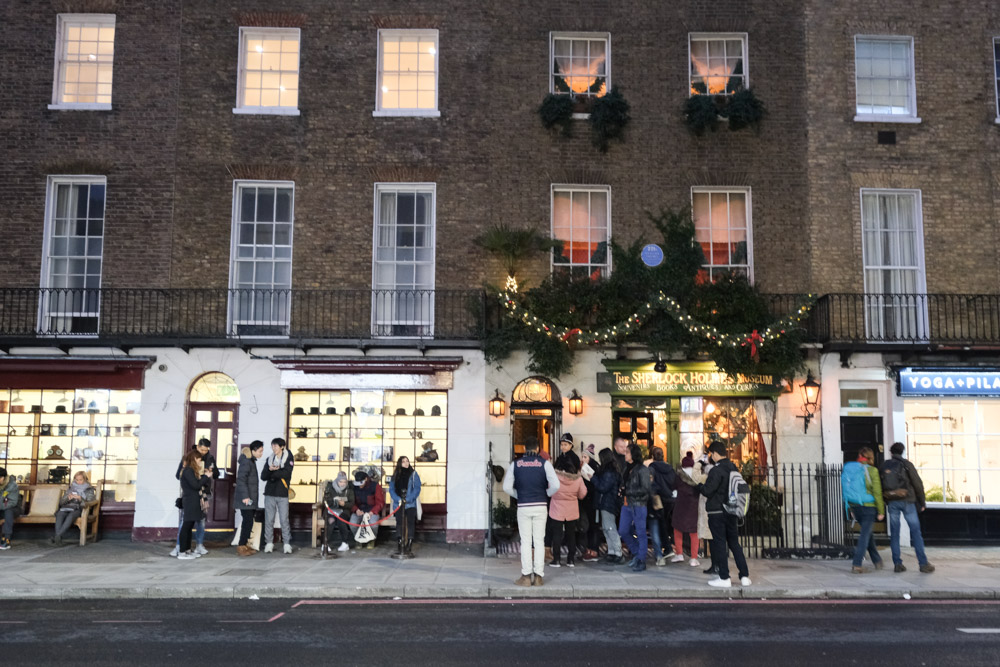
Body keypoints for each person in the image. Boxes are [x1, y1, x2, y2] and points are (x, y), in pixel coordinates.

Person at [503, 436, 560, 587]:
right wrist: (545, 494)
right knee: (539, 541)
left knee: (526, 541)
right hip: (540, 505)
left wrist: (518, 495)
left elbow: (506, 487)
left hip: (524, 506)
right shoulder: (545, 464)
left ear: (524, 449)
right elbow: (555, 485)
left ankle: (526, 576)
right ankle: (539, 576)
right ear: (537, 449)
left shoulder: (516, 465)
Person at [699, 441, 751, 588]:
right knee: (734, 543)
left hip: (717, 512)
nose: (711, 457)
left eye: (711, 454)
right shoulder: (734, 468)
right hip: (732, 511)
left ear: (715, 454)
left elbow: (708, 491)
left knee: (720, 544)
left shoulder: (716, 471)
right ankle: (744, 576)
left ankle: (724, 577)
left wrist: (699, 486)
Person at [881, 442, 935, 574]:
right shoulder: (906, 464)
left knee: (894, 534)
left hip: (892, 501)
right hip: (907, 501)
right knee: (916, 533)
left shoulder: (884, 465)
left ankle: (897, 564)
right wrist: (922, 502)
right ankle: (923, 564)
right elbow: (917, 483)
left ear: (891, 452)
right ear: (902, 451)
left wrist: (885, 500)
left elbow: (881, 484)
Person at [170, 438, 218, 557]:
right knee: (185, 522)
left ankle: (198, 545)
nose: (203, 453)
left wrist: (210, 472)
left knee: (200, 521)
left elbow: (216, 474)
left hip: (203, 493)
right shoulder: (188, 460)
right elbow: (179, 476)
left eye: (206, 451)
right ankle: (179, 547)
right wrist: (198, 476)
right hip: (191, 494)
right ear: (197, 447)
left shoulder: (210, 458)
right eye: (201, 450)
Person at [842, 446, 885, 573]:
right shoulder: (872, 471)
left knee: (868, 534)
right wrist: (881, 510)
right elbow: (877, 492)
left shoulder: (850, 469)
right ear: (871, 457)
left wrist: (849, 507)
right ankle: (857, 564)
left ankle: (877, 561)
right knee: (864, 536)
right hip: (868, 508)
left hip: (855, 506)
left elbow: (847, 489)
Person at [619, 444, 653, 572]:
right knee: (623, 530)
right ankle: (637, 553)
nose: (625, 454)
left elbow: (646, 489)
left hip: (638, 504)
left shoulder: (642, 469)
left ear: (634, 454)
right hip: (627, 504)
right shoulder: (626, 468)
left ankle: (641, 559)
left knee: (640, 532)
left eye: (627, 452)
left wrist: (628, 491)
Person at [548, 457, 587, 568]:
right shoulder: (578, 479)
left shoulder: (554, 477)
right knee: (571, 535)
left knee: (557, 535)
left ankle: (556, 560)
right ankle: (571, 560)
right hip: (572, 510)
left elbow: (550, 491)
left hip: (557, 509)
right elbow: (583, 494)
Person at [261, 437, 294, 554]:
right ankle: (269, 543)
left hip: (282, 494)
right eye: (272, 446)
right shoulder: (270, 459)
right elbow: (263, 476)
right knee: (269, 519)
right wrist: (271, 470)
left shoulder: (288, 458)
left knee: (284, 519)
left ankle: (287, 544)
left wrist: (273, 472)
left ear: (282, 447)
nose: (273, 448)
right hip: (269, 493)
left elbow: (287, 473)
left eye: (275, 446)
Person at [177, 451, 211, 560]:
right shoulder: (188, 471)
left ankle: (187, 550)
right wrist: (206, 476)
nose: (200, 462)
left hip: (193, 501)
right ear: (194, 459)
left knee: (190, 525)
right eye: (199, 459)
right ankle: (182, 552)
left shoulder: (191, 471)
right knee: (186, 526)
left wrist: (204, 477)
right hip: (190, 501)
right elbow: (196, 485)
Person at [593, 448, 624, 564]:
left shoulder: (609, 472)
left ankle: (618, 552)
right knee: (606, 528)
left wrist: (593, 478)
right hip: (606, 503)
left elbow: (603, 487)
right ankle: (612, 552)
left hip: (608, 503)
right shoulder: (611, 470)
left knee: (610, 528)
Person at [234, 440, 264, 556]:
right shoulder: (246, 462)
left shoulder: (251, 461)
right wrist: (245, 496)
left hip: (249, 498)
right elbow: (241, 480)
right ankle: (241, 546)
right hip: (245, 498)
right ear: (253, 451)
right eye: (260, 451)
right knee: (247, 521)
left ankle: (245, 544)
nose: (261, 453)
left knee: (249, 521)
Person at [49, 471, 96, 545]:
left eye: (80, 480)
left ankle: (57, 536)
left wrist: (80, 499)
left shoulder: (89, 489)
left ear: (85, 479)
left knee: (71, 516)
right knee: (60, 514)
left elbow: (89, 502)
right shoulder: (71, 488)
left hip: (79, 508)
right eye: (77, 480)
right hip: (67, 507)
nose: (78, 481)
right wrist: (68, 498)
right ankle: (58, 537)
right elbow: (61, 502)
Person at [648, 447, 677, 565]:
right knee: (665, 523)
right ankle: (668, 547)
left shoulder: (652, 468)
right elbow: (674, 482)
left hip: (659, 499)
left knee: (659, 525)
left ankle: (666, 548)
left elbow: (652, 484)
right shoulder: (670, 468)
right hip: (670, 499)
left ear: (652, 456)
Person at [388, 455, 421, 557]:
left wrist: (408, 499)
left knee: (411, 522)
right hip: (398, 503)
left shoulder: (414, 474)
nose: (406, 463)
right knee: (399, 522)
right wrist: (398, 499)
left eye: (407, 461)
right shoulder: (396, 475)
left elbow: (417, 488)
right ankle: (400, 542)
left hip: (410, 503)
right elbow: (391, 489)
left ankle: (409, 543)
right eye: (403, 462)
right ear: (399, 463)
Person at [672, 452, 701, 566]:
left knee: (677, 530)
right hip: (694, 506)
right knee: (694, 533)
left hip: (680, 505)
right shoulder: (697, 476)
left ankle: (679, 554)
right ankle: (694, 558)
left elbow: (673, 490)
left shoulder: (678, 476)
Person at [350, 469, 385, 548]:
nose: (359, 486)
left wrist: (372, 512)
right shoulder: (354, 487)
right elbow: (351, 501)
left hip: (372, 510)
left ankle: (371, 539)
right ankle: (358, 539)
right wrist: (356, 510)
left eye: (361, 483)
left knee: (373, 524)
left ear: (366, 479)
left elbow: (380, 502)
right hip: (359, 510)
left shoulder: (375, 486)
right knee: (353, 523)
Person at [578, 447, 602, 562]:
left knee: (594, 526)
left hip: (593, 502)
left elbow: (595, 485)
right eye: (582, 456)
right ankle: (588, 549)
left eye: (585, 457)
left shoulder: (594, 469)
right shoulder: (584, 468)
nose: (583, 459)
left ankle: (594, 550)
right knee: (587, 526)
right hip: (586, 501)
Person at [695, 450, 716, 574]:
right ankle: (716, 564)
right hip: (713, 509)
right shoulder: (716, 473)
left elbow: (695, 477)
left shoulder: (707, 475)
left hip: (708, 509)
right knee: (713, 539)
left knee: (712, 539)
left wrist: (698, 463)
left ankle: (715, 565)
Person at [323, 471, 355, 552]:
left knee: (341, 520)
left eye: (344, 482)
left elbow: (351, 503)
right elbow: (326, 501)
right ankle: (325, 543)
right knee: (331, 521)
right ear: (337, 481)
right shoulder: (330, 488)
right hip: (331, 510)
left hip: (343, 511)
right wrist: (335, 502)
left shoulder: (349, 490)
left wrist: (344, 504)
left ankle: (345, 543)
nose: (343, 484)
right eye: (341, 482)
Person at [0, 467, 18, 550]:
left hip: (13, 508)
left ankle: (6, 538)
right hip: (1, 508)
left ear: (2, 478)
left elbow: (12, 502)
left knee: (8, 512)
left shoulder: (12, 486)